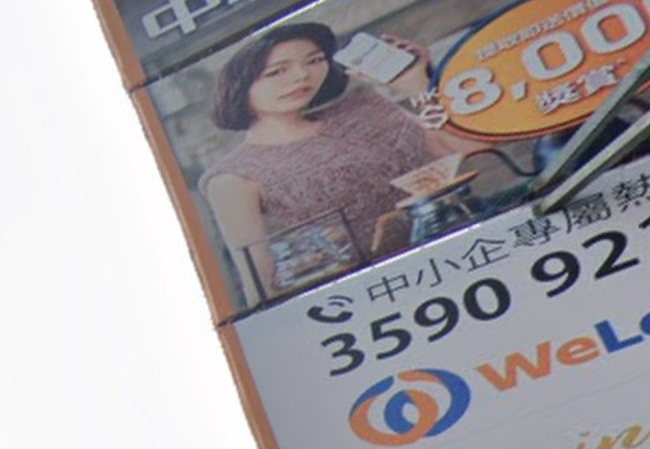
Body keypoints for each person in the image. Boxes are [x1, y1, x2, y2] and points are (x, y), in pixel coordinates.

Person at [200, 19, 477, 306]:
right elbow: (260, 286)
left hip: (464, 246)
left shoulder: (365, 107)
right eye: (277, 71)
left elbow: (462, 147)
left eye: (314, 60)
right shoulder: (231, 178)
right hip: (377, 298)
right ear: (241, 85)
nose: (301, 76)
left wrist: (417, 83)